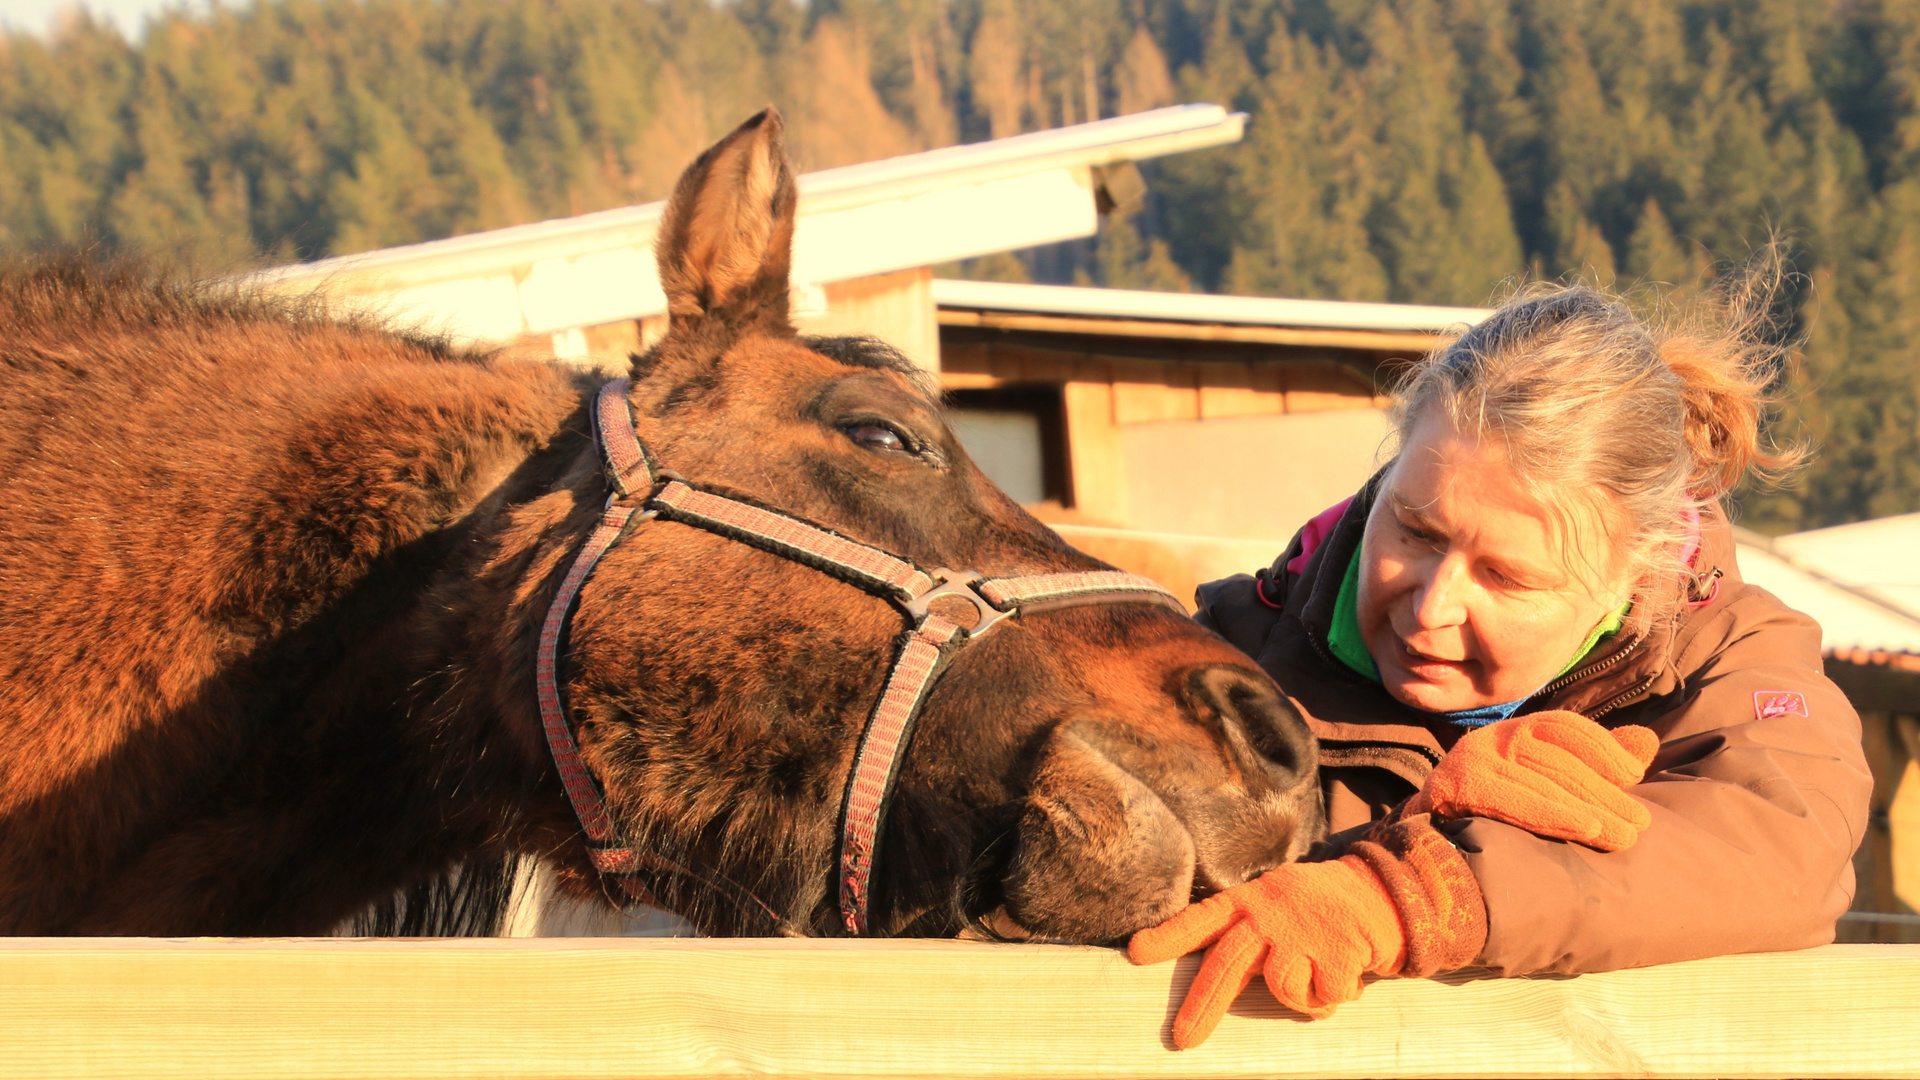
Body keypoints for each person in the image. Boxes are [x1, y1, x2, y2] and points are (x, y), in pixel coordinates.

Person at [1129, 266, 1873, 1048]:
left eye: (1505, 576)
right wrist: (1406, 847)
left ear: (1635, 574)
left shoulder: (1731, 658)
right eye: (1415, 532)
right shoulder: (1230, 652)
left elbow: (1784, 852)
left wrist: (1427, 888)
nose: (1431, 607)